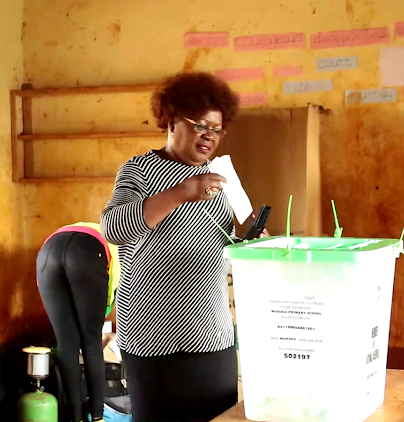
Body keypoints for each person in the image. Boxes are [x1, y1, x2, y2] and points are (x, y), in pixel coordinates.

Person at [101, 72, 262, 422]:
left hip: (211, 333)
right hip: (151, 336)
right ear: (172, 120)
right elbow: (113, 227)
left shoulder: (221, 177)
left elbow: (226, 244)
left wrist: (254, 245)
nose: (209, 136)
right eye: (201, 125)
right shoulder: (139, 170)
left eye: (217, 129)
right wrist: (184, 192)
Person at [37, 222, 121, 422]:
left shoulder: (104, 229)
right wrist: (100, 316)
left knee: (66, 344)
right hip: (87, 251)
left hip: (47, 253)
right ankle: (98, 417)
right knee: (91, 342)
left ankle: (75, 418)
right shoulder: (121, 246)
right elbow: (112, 293)